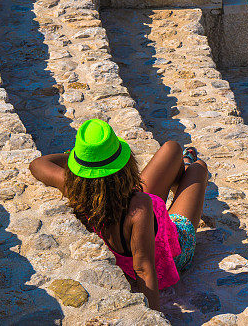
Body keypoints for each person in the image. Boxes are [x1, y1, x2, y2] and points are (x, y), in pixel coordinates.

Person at [29, 119, 208, 310]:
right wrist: (154, 316)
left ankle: (184, 165)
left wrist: (84, 162)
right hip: (171, 250)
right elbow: (144, 270)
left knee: (171, 149)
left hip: (123, 205)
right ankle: (188, 165)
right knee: (200, 168)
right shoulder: (140, 206)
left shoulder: (75, 190)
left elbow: (38, 164)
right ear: (125, 164)